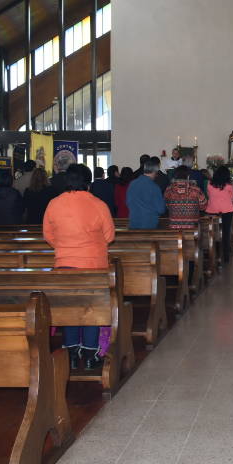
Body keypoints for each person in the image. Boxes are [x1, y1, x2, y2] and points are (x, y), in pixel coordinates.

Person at [43, 163, 114, 371]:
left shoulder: (54, 204)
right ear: (88, 183)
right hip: (93, 265)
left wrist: (66, 247)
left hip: (64, 264)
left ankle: (71, 355)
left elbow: (48, 234)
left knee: (70, 308)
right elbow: (109, 236)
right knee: (91, 309)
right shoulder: (98, 204)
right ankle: (91, 355)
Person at [206, 166, 233, 262]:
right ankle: (226, 257)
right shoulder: (229, 185)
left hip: (212, 210)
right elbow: (232, 197)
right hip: (227, 210)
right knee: (226, 233)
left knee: (213, 233)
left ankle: (214, 255)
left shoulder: (209, 184)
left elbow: (209, 195)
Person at [127, 157, 166, 229]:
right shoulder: (154, 187)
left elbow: (128, 202)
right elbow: (161, 209)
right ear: (155, 171)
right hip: (149, 225)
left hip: (134, 223)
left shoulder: (132, 183)